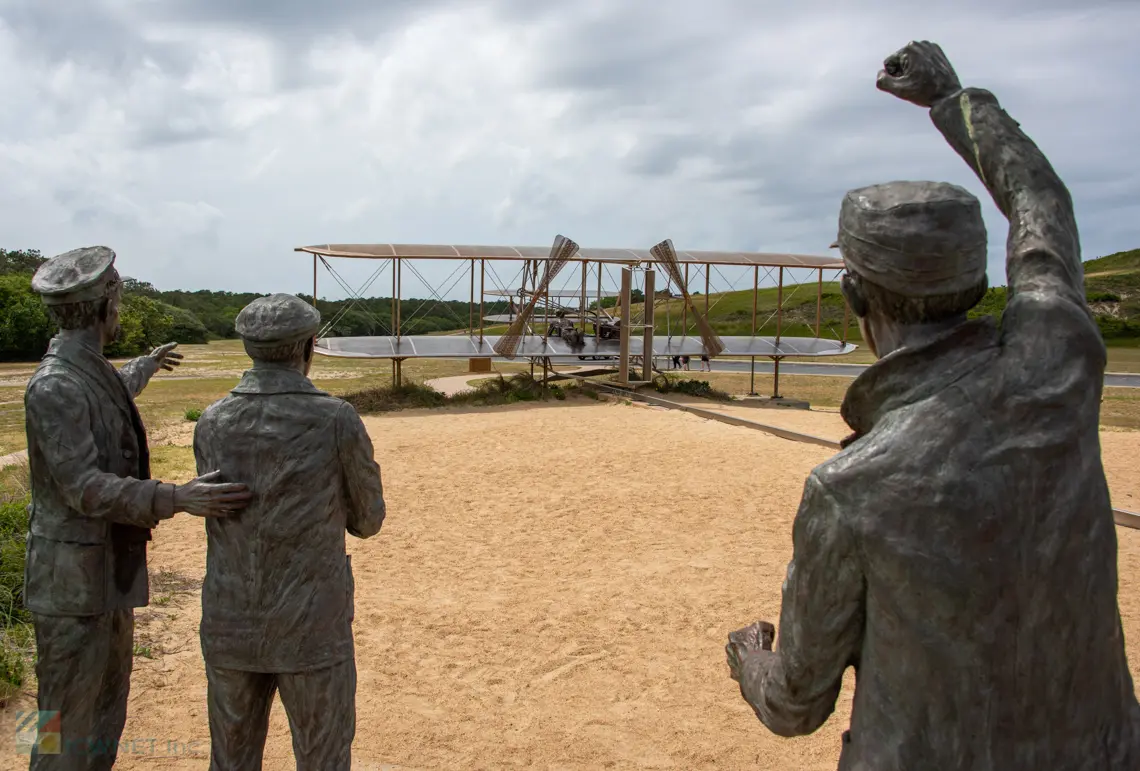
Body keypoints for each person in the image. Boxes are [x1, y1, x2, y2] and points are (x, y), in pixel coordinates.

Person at [725, 41, 1140, 769]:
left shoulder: (850, 489)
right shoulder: (1058, 361)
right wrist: (952, 100)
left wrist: (747, 654)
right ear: (977, 283)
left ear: (857, 297)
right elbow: (1043, 202)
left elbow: (796, 703)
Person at [23, 245, 252, 768]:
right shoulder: (55, 385)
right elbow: (83, 487)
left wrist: (143, 367)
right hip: (71, 586)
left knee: (105, 711)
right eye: (119, 300)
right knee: (60, 722)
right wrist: (177, 498)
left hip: (105, 575)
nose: (121, 311)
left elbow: (110, 395)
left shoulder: (87, 371)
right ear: (103, 307)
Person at [193, 293, 387, 770]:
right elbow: (369, 520)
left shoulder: (213, 421)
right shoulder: (336, 418)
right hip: (311, 622)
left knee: (231, 758)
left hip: (230, 615)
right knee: (323, 755)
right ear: (308, 346)